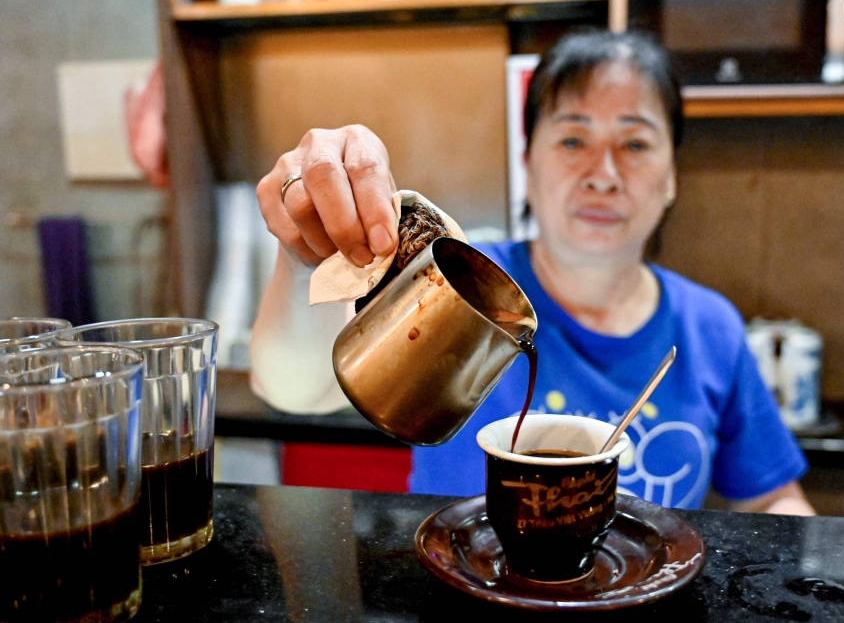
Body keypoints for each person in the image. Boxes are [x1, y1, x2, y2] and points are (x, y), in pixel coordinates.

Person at [254, 30, 815, 515]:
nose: (603, 173)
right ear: (528, 161)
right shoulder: (461, 281)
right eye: (573, 139)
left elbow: (772, 498)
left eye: (636, 143)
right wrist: (306, 254)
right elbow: (292, 390)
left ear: (671, 176)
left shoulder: (709, 327)